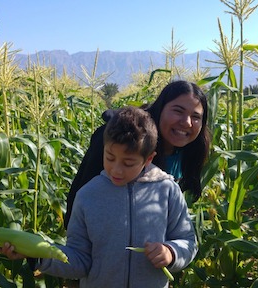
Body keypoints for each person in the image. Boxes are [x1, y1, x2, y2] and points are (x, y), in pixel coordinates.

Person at [0, 106, 198, 287]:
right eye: (110, 158)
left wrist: (171, 252)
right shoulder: (88, 195)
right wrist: (36, 256)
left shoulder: (167, 190)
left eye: (128, 163)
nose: (116, 170)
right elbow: (79, 260)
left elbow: (188, 241)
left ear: (149, 159)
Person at [65, 80, 210, 228]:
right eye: (178, 111)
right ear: (161, 108)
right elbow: (82, 194)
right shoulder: (122, 141)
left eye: (196, 117)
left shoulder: (189, 152)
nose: (187, 122)